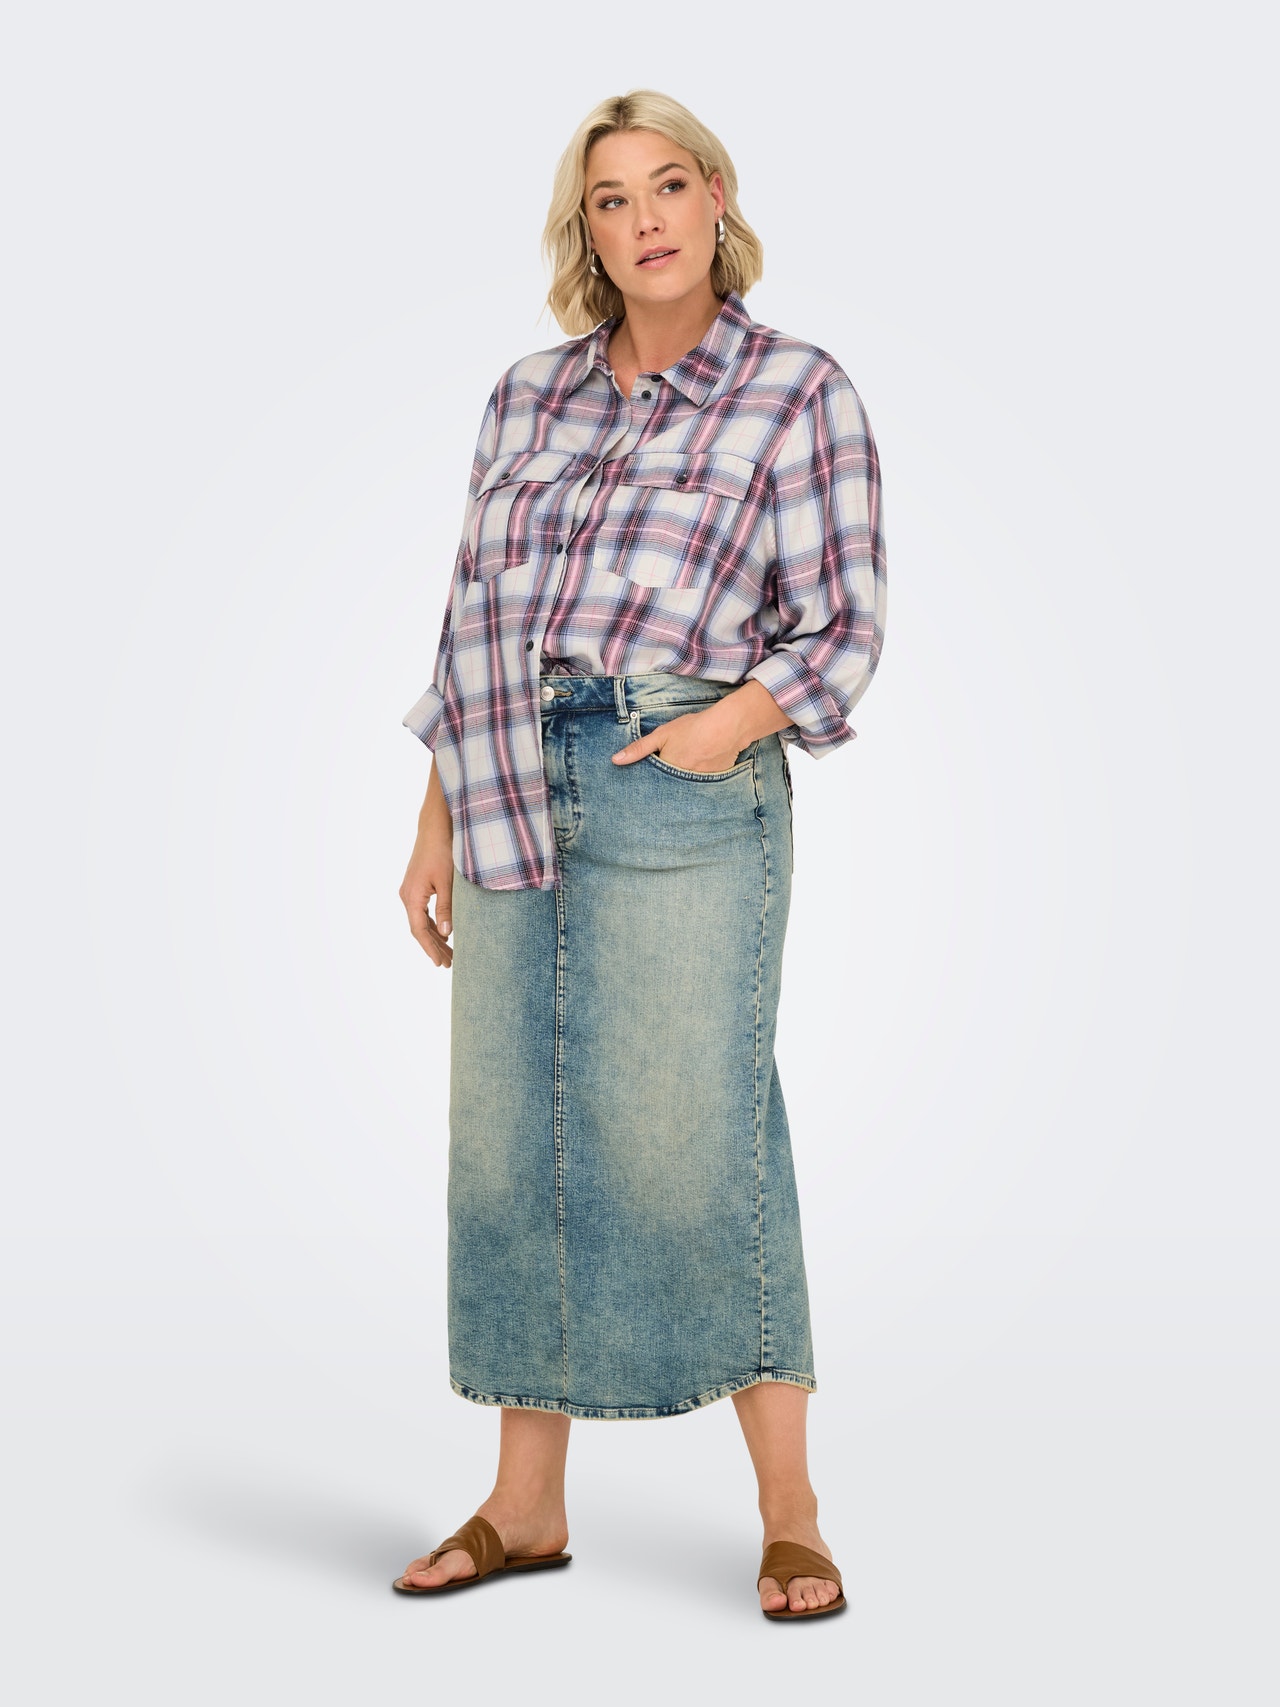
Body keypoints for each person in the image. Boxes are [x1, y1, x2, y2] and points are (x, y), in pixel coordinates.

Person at [392, 89, 887, 1620]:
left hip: (681, 776)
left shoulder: (795, 391)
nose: (646, 219)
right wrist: (435, 811)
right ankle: (525, 1504)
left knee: (699, 1135)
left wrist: (722, 726)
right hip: (505, 774)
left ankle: (792, 1509)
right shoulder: (527, 397)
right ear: (586, 232)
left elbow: (844, 624)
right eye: (611, 199)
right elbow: (473, 611)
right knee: (510, 1141)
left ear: (718, 197)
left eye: (669, 185)